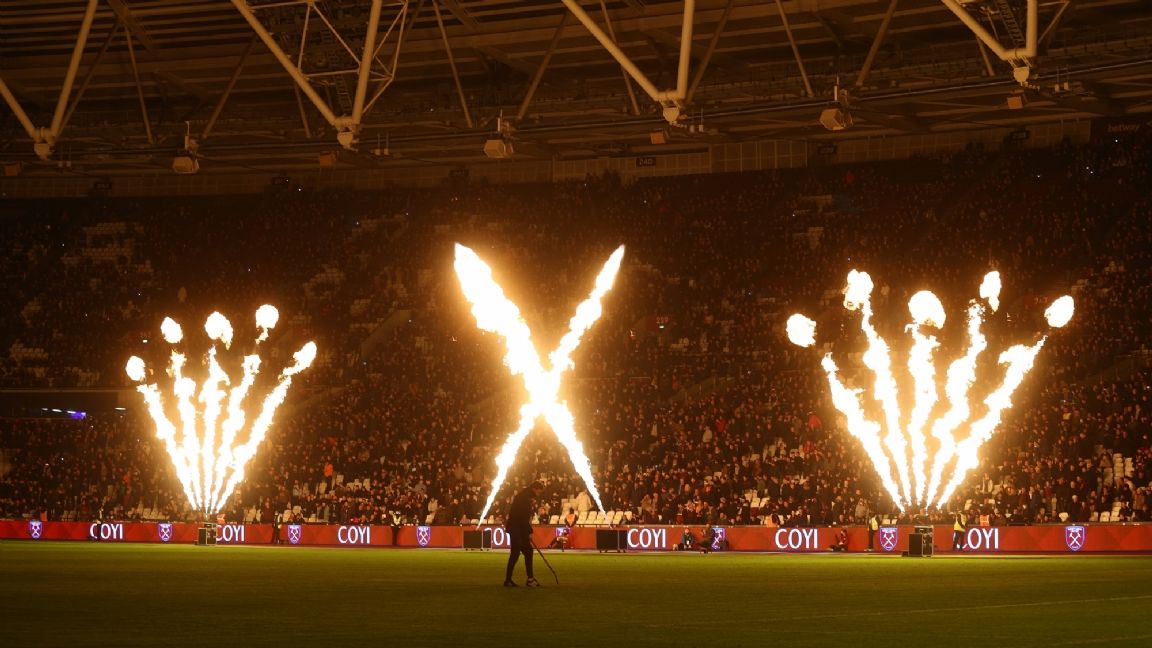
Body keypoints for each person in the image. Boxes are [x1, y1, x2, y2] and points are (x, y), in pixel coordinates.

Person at [504, 481, 543, 588]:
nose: (539, 494)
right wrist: (529, 532)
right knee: (516, 553)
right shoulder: (525, 498)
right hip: (517, 529)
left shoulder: (524, 495)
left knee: (526, 552)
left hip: (517, 529)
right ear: (535, 489)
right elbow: (522, 518)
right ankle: (511, 580)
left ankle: (528, 579)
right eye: (539, 492)